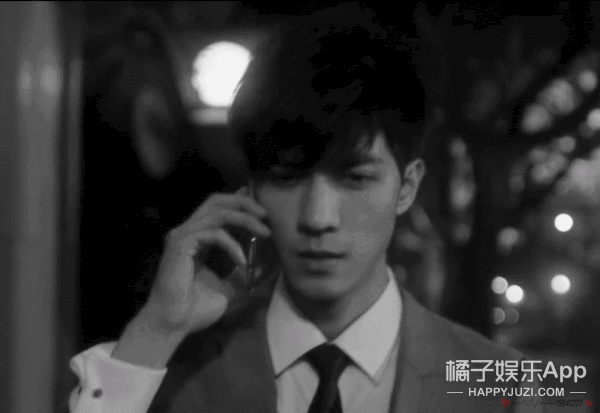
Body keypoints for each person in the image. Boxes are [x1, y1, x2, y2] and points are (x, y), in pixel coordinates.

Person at [68, 5, 550, 413]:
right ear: (252, 191)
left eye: (355, 178)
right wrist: (156, 331)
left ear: (407, 187)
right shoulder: (168, 371)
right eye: (287, 177)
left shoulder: (507, 388)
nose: (318, 218)